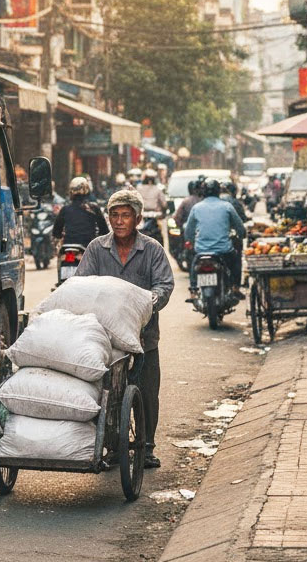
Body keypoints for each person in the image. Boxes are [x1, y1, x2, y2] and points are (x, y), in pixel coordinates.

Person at [74, 187, 174, 469]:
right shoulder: (96, 248)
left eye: (125, 216)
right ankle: (112, 445)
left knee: (147, 390)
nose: (119, 221)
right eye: (114, 215)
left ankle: (148, 446)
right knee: (108, 391)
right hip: (105, 338)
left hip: (144, 337)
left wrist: (148, 302)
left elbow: (164, 285)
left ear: (137, 219)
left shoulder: (152, 249)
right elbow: (83, 283)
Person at [184, 178, 247, 299]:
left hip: (201, 250)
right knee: (236, 259)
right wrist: (242, 234)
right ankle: (235, 288)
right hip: (224, 250)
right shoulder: (227, 206)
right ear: (219, 191)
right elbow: (239, 227)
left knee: (194, 262)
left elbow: (188, 231)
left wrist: (190, 242)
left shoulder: (196, 208)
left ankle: (193, 290)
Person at [52, 176, 109, 248]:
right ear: (87, 190)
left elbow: (56, 232)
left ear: (71, 191)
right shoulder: (94, 208)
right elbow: (104, 230)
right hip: (88, 248)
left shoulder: (65, 209)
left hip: (69, 248)